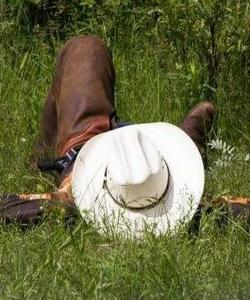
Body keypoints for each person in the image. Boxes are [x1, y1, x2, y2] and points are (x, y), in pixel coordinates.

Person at [1, 36, 235, 228]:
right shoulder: (193, 208)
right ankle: (186, 146)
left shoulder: (72, 208)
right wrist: (192, 201)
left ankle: (41, 158)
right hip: (151, 160)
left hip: (88, 147)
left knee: (85, 48)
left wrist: (71, 197)